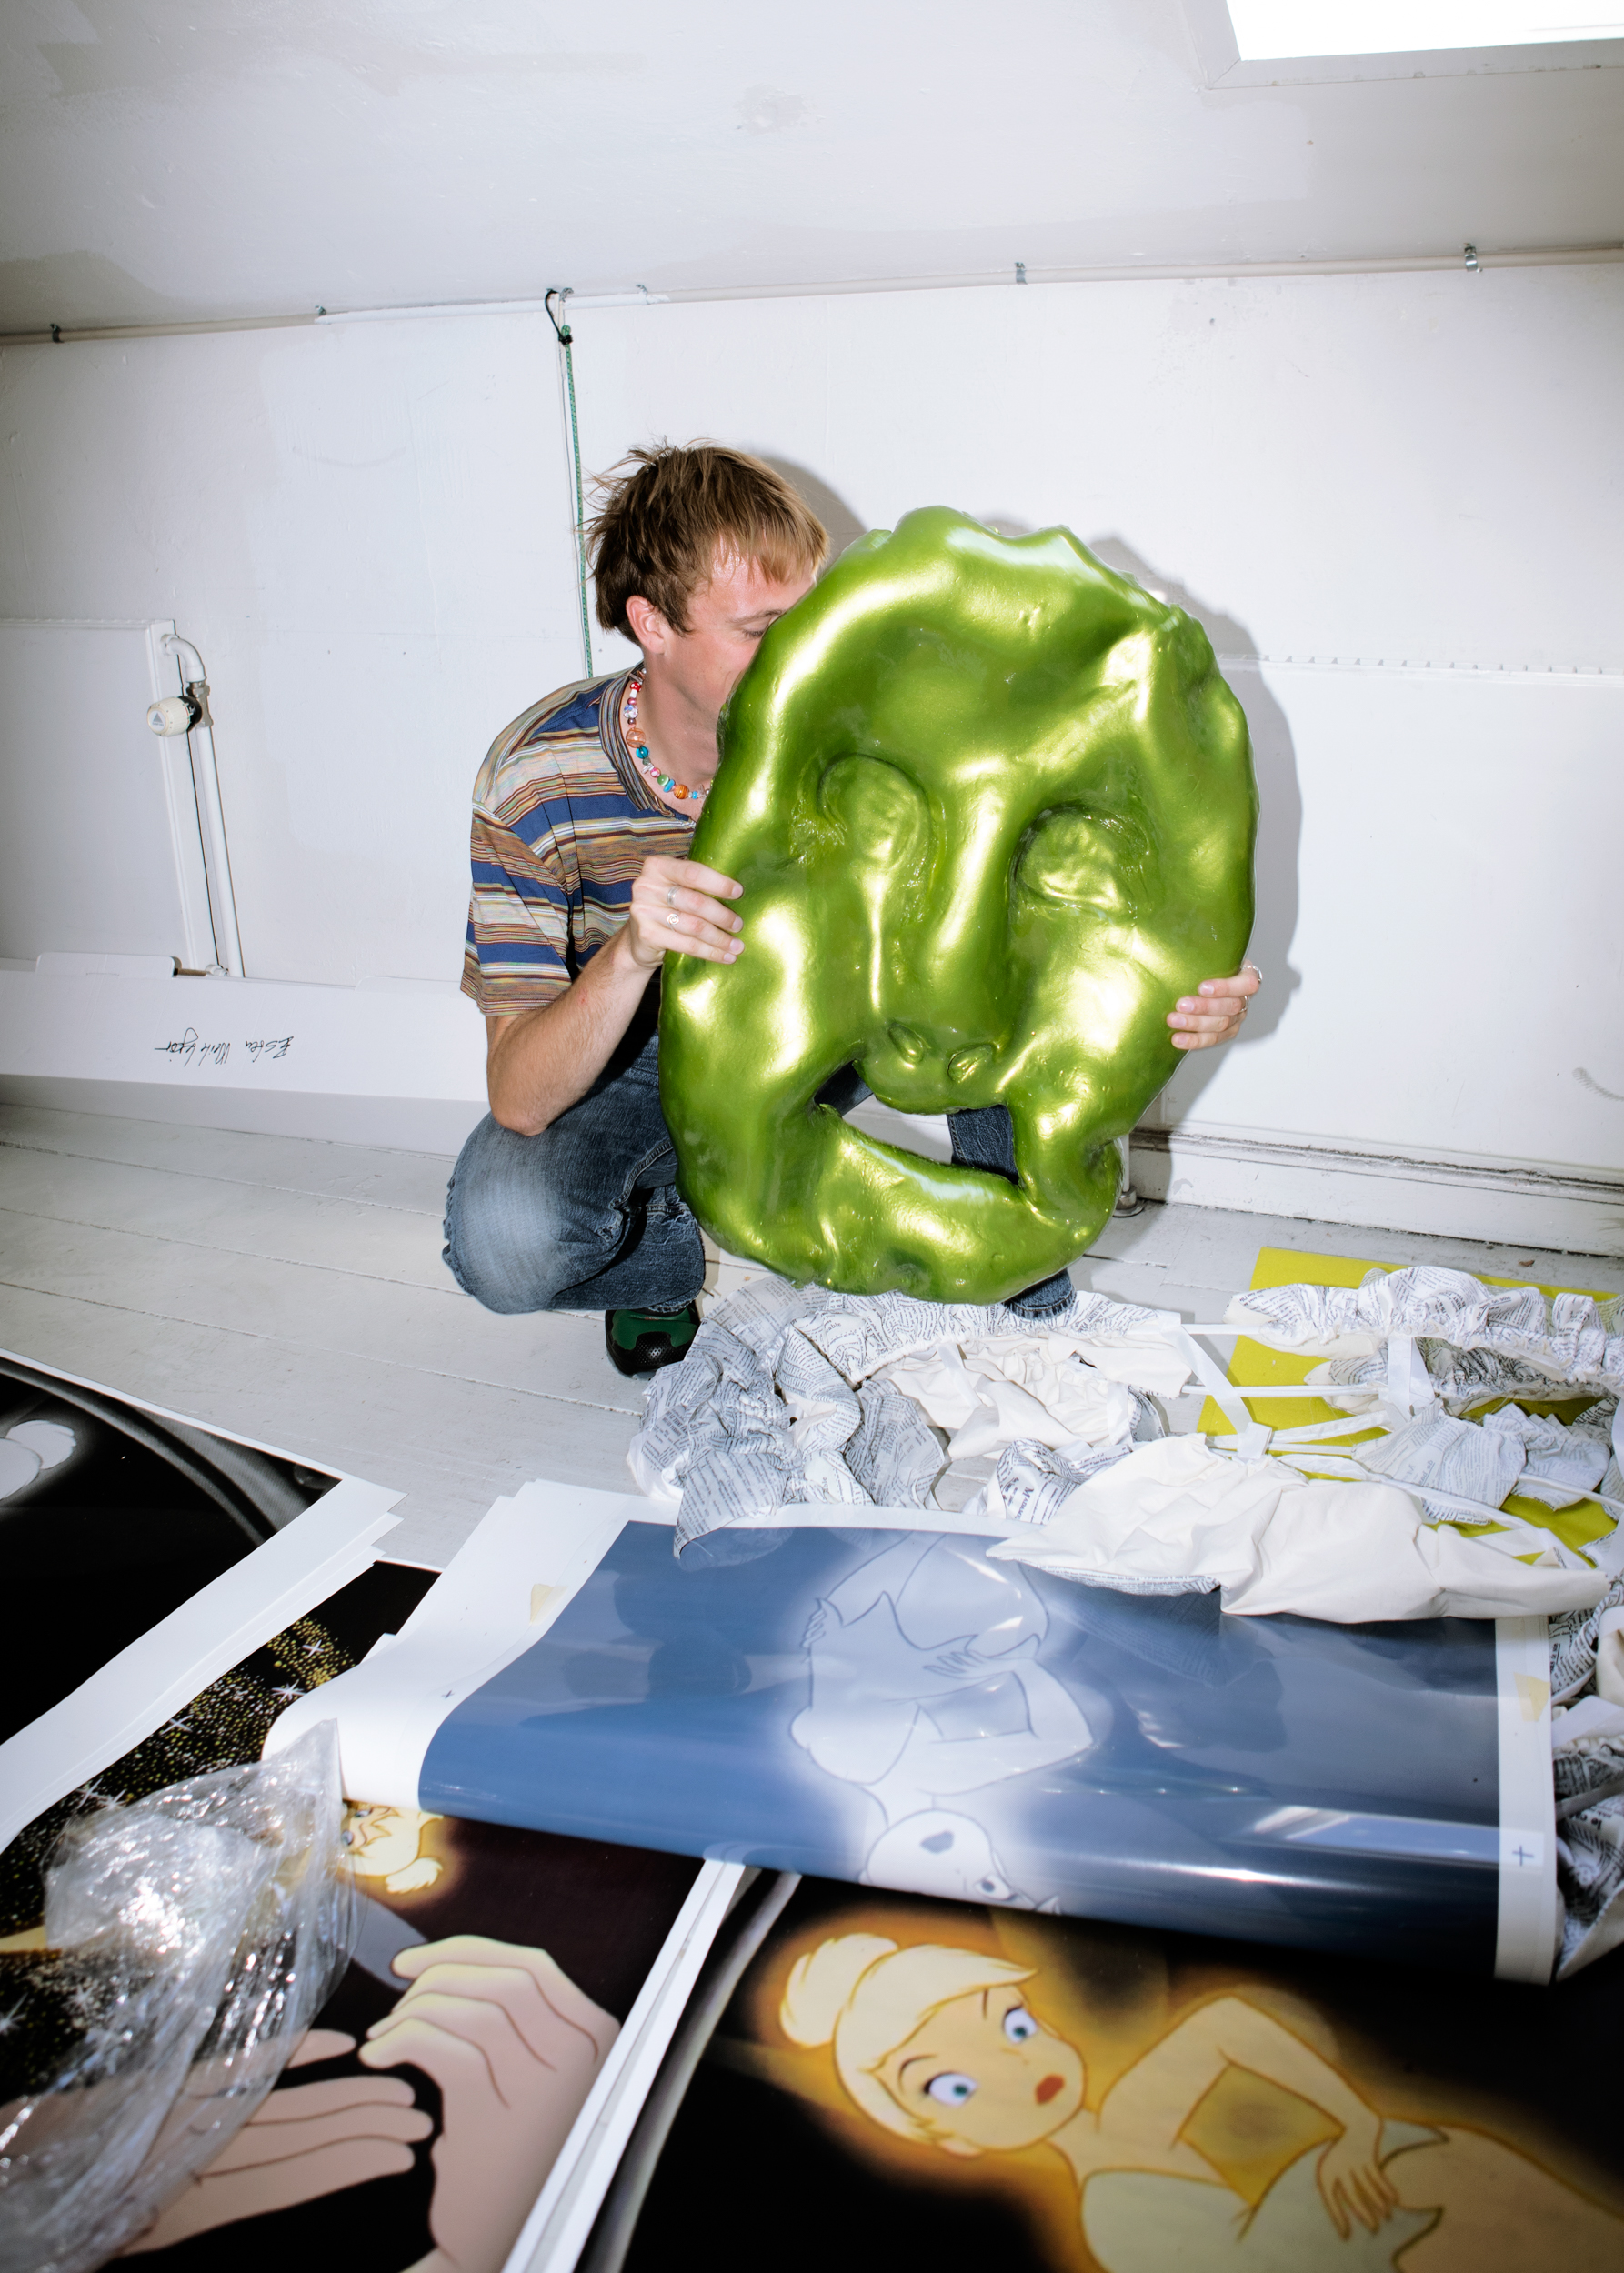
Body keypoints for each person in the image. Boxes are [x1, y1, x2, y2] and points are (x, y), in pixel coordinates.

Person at [445, 445, 1260, 1377]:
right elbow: (519, 1096)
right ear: (653, 623)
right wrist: (632, 953)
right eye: (761, 629)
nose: (806, 652)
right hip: (627, 1050)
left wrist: (1175, 986)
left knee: (973, 965)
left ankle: (1019, 1290)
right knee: (505, 1237)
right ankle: (658, 1260)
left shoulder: (893, 721)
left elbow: (1089, 910)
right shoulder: (538, 779)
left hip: (849, 1006)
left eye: (814, 615)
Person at [779, 1932, 1624, 2270]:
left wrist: (1357, 2126)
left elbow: (1227, 2027)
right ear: (946, 2138)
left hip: (1402, 2201)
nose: (1017, 2065)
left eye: (1015, 2023)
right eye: (953, 2087)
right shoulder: (1110, 2214)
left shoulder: (1126, 2113)